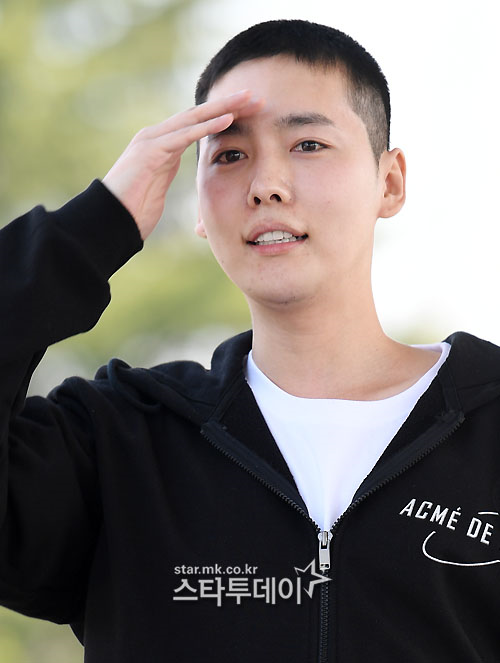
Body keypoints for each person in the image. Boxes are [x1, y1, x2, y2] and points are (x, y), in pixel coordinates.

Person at [1, 18, 500, 663]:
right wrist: (94, 226)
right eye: (230, 156)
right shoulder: (118, 443)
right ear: (198, 207)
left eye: (308, 144)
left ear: (390, 182)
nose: (266, 184)